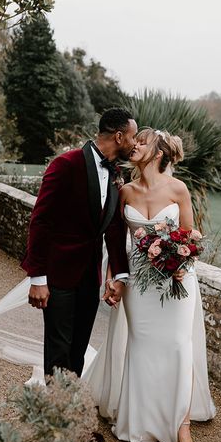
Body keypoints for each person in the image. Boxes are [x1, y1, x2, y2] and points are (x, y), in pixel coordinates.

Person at [82, 128, 216, 442]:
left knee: (177, 347)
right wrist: (114, 278)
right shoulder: (124, 190)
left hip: (177, 280)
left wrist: (181, 254)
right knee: (141, 347)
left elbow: (192, 235)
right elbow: (115, 243)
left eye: (142, 142)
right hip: (139, 284)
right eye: (135, 140)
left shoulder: (178, 189)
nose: (135, 145)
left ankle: (181, 428)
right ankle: (138, 421)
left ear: (158, 154)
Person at [22, 108, 138, 378]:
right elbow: (40, 221)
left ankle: (69, 406)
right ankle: (53, 414)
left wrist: (119, 274)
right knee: (59, 348)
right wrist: (37, 278)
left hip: (90, 277)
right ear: (119, 136)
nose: (135, 144)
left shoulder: (116, 174)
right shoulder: (66, 164)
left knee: (78, 348)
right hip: (58, 275)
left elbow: (113, 226)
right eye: (133, 137)